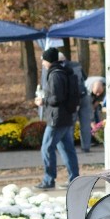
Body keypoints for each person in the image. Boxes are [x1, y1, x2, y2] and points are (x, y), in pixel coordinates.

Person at [34, 47, 80, 190]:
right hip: (66, 117)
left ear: (48, 60)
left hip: (57, 118)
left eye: (43, 60)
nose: (42, 63)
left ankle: (49, 180)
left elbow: (57, 97)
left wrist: (43, 100)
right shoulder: (64, 71)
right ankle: (75, 179)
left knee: (46, 148)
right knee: (67, 149)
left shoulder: (54, 75)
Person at [61, 53, 92, 153]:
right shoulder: (77, 65)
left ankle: (70, 147)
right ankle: (86, 146)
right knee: (86, 123)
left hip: (73, 98)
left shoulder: (61, 68)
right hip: (85, 96)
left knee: (71, 124)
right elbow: (85, 77)